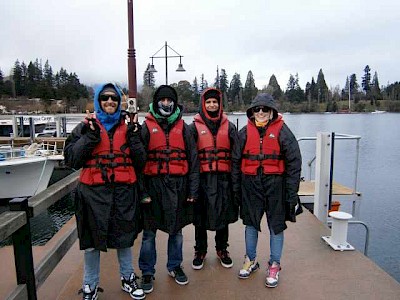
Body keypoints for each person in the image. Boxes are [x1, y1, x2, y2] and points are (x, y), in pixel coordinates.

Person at [64, 83, 146, 300]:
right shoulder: (84, 128)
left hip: (123, 192)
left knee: (124, 237)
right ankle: (90, 285)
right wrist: (90, 137)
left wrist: (135, 137)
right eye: (105, 98)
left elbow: (140, 161)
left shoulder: (130, 127)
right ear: (99, 101)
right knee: (91, 242)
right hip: (92, 193)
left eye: (114, 98)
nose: (110, 101)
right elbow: (71, 159)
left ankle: (128, 278)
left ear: (119, 103)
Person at [138, 85, 199, 294]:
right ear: (156, 102)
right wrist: (142, 191)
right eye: (162, 100)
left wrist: (192, 191)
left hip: (178, 186)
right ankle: (147, 271)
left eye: (169, 100)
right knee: (149, 233)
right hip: (153, 186)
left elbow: (193, 161)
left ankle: (174, 266)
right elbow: (138, 163)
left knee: (177, 230)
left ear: (174, 103)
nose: (166, 104)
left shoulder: (185, 128)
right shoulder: (145, 128)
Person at [237, 93, 302, 288]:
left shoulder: (283, 131)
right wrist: (236, 189)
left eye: (265, 109)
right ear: (252, 112)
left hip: (276, 186)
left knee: (276, 226)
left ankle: (274, 264)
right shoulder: (244, 133)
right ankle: (250, 260)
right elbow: (234, 162)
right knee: (250, 224)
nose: (261, 112)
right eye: (257, 109)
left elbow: (294, 163)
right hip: (251, 185)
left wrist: (291, 193)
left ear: (272, 111)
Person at [189, 88, 241, 270]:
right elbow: (190, 155)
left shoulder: (230, 126)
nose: (212, 105)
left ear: (219, 104)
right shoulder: (194, 127)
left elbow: (237, 153)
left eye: (215, 102)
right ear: (203, 104)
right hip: (202, 178)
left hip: (223, 178)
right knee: (200, 216)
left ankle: (222, 249)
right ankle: (200, 251)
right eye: (208, 102)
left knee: (223, 215)